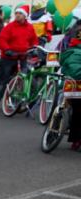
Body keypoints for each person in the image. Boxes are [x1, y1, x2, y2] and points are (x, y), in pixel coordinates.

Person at [0, 5, 38, 106]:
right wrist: (7, 49)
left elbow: (34, 40)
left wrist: (34, 49)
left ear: (25, 16)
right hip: (9, 57)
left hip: (23, 57)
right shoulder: (10, 26)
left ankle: (21, 100)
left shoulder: (30, 28)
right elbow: (2, 39)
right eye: (16, 13)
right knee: (3, 80)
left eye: (20, 13)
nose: (17, 15)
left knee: (25, 78)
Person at [59, 23, 81, 151]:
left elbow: (62, 63)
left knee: (77, 109)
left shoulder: (70, 51)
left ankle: (75, 140)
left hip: (71, 86)